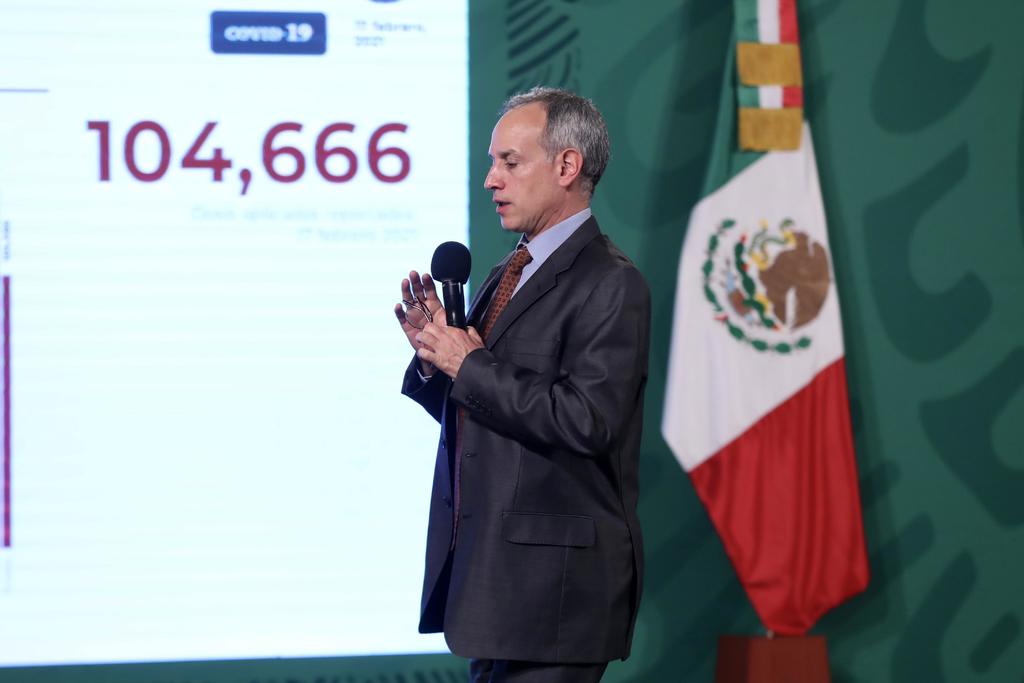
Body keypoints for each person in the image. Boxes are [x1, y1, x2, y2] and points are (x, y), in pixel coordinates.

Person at [394, 87, 650, 683]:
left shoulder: (611, 283)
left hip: (554, 596)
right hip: (494, 585)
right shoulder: (508, 271)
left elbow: (588, 421)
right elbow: (486, 414)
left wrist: (470, 365)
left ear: (567, 166)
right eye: (492, 162)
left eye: (510, 162)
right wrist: (437, 357)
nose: (491, 180)